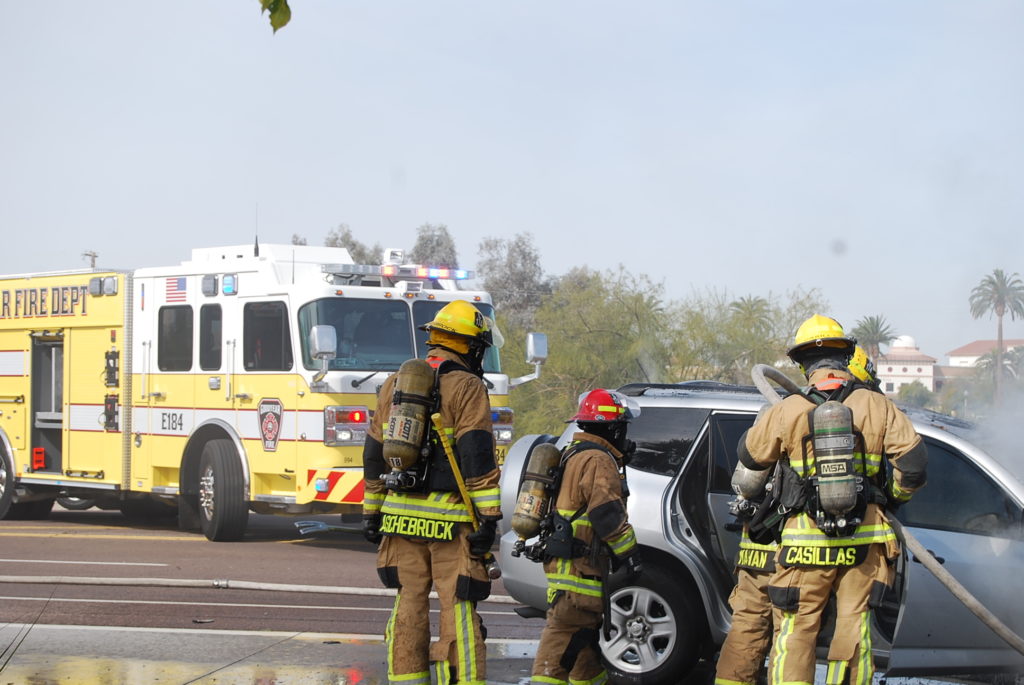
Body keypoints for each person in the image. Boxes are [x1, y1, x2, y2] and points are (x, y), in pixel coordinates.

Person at [736, 314, 928, 685]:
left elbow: (750, 459)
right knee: (854, 634)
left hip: (804, 547)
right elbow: (915, 466)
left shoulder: (788, 409)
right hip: (864, 544)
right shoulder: (878, 406)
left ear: (802, 363)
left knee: (795, 634)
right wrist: (892, 497)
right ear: (845, 356)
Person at [361, 299, 502, 685]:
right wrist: (489, 519)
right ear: (469, 345)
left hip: (399, 519)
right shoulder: (467, 386)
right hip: (451, 522)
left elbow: (373, 455)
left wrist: (371, 512)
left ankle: (406, 679)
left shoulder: (394, 384)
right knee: (459, 607)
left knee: (407, 604)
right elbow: (475, 456)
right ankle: (464, 680)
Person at [530, 388, 643, 685]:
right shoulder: (598, 459)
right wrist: (630, 554)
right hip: (579, 573)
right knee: (560, 647)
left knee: (584, 650)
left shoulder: (574, 452)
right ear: (613, 428)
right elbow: (607, 515)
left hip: (569, 568)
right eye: (622, 428)